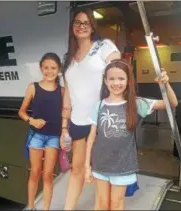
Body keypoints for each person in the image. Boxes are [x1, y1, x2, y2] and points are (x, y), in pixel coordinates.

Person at [85, 59, 178, 210]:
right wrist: (87, 166)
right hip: (100, 165)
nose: (116, 83)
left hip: (123, 166)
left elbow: (172, 103)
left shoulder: (136, 103)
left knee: (116, 204)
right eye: (112, 79)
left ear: (128, 81)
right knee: (102, 204)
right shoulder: (99, 105)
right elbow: (91, 138)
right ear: (105, 81)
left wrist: (165, 84)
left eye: (121, 78)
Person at [60, 8, 121, 210]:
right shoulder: (68, 57)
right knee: (77, 169)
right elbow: (67, 94)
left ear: (93, 26)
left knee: (99, 173)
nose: (82, 26)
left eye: (86, 22)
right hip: (78, 121)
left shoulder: (104, 46)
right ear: (72, 27)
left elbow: (119, 69)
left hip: (101, 119)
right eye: (77, 22)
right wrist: (64, 127)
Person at [18, 52, 64, 210]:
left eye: (53, 68)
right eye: (46, 67)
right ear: (41, 68)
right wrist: (32, 121)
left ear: (59, 70)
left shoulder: (62, 91)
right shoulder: (33, 87)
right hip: (36, 136)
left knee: (48, 175)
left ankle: (46, 208)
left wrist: (65, 132)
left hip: (54, 137)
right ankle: (31, 207)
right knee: (35, 172)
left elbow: (66, 114)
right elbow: (21, 112)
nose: (49, 71)